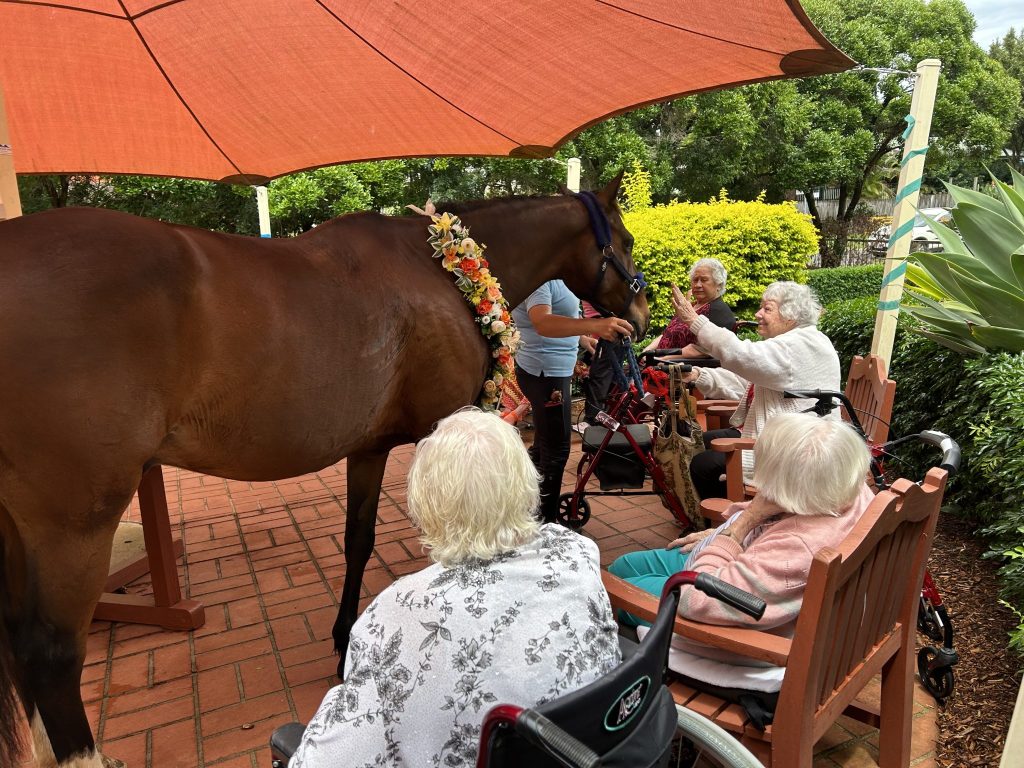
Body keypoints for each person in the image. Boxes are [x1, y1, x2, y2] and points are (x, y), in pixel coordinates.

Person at [290, 409, 622, 768]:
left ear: (426, 503)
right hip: (589, 749)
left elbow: (326, 756)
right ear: (526, 483)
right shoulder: (575, 553)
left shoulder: (397, 613)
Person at [608, 412, 873, 707]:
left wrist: (738, 528)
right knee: (622, 566)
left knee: (613, 593)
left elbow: (694, 601)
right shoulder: (850, 490)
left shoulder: (795, 551)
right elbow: (792, 501)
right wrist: (720, 533)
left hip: (718, 606)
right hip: (736, 569)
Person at [671, 280, 840, 500]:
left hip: (795, 448)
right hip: (777, 435)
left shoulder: (801, 344)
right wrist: (697, 375)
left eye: (767, 309)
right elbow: (744, 382)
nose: (758, 313)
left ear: (791, 316)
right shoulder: (795, 342)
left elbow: (742, 355)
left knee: (703, 464)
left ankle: (730, 519)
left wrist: (695, 321)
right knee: (698, 441)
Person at [513, 280, 632, 522]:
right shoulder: (541, 281)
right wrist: (596, 324)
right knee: (557, 450)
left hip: (551, 371)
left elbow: (560, 316)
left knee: (545, 444)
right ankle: (545, 524)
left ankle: (525, 504)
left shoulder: (557, 277)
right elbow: (542, 321)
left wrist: (581, 339)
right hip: (546, 373)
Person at [644, 258, 736, 358]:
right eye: (695, 280)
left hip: (676, 368)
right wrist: (646, 351)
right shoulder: (690, 306)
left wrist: (660, 359)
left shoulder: (719, 311)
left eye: (704, 280)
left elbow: (700, 351)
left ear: (719, 284)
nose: (698, 285)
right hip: (655, 361)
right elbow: (667, 335)